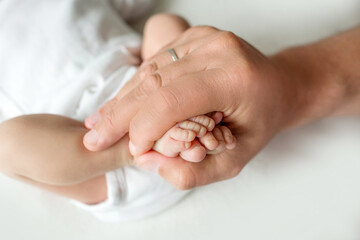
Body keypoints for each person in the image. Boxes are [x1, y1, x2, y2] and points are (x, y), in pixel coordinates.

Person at [0, 0, 234, 222]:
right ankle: (141, 145)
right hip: (94, 153)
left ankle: (182, 113)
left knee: (163, 23)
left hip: (146, 84)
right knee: (6, 144)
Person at [83, 16, 360, 190]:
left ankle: (171, 125)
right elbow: (39, 153)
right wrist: (126, 154)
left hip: (152, 74)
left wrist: (162, 64)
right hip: (118, 119)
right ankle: (161, 136)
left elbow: (161, 21)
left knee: (162, 24)